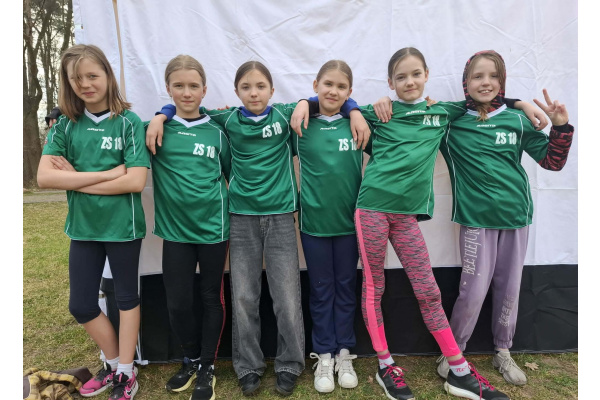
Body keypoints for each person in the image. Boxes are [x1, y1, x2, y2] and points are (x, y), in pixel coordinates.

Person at [295, 47, 547, 400]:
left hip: (406, 217)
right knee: (374, 287)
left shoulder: (441, 112)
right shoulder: (379, 112)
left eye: (415, 74)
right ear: (390, 82)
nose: (409, 81)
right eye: (401, 77)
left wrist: (521, 103)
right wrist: (319, 104)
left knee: (428, 289)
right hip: (371, 210)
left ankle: (459, 369)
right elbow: (335, 104)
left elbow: (481, 100)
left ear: (427, 75)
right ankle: (386, 365)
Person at [146, 60, 369, 397]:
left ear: (272, 90)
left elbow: (321, 101)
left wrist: (350, 109)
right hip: (241, 218)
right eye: (246, 87)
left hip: (280, 217)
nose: (254, 93)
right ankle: (248, 366)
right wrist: (161, 115)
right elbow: (190, 112)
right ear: (236, 92)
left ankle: (290, 364)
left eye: (261, 86)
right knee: (244, 297)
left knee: (287, 297)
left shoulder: (285, 116)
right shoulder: (225, 120)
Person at [432, 50, 574, 387]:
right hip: (475, 218)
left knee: (509, 289)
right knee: (473, 291)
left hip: (516, 216)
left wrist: (560, 126)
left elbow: (552, 162)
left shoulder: (518, 120)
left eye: (494, 76)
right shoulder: (451, 123)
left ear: (502, 81)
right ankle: (453, 352)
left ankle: (503, 350)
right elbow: (424, 114)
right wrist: (519, 100)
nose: (486, 82)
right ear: (465, 82)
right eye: (478, 76)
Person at [37, 44, 150, 400]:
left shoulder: (129, 122)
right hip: (83, 228)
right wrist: (109, 173)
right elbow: (45, 177)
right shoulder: (64, 125)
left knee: (126, 298)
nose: (85, 84)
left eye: (92, 75)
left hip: (123, 227)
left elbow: (135, 181)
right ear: (68, 82)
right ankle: (112, 363)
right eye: (77, 78)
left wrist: (76, 179)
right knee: (82, 305)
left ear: (107, 76)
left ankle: (126, 372)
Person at [150, 55, 231, 400]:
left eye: (193, 86)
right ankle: (192, 358)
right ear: (168, 88)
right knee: (178, 302)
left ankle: (208, 366)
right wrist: (160, 115)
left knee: (211, 296)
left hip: (214, 229)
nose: (186, 92)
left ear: (204, 90)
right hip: (175, 232)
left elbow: (231, 174)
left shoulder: (217, 131)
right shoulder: (155, 129)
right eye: (179, 85)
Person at [292, 60, 367, 393]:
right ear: (315, 85)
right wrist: (303, 103)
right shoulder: (301, 122)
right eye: (328, 84)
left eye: (341, 86)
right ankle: (323, 354)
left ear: (349, 92)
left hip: (350, 224)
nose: (333, 91)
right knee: (321, 290)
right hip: (314, 225)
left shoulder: (358, 123)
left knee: (346, 287)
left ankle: (344, 352)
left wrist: (355, 110)